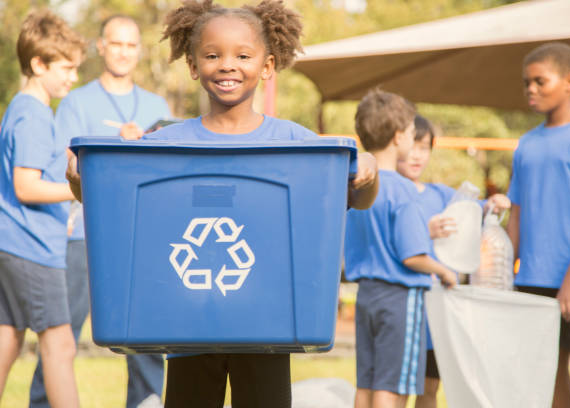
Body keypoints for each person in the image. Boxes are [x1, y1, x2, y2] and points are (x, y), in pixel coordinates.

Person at [66, 1, 378, 407]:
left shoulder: (294, 145)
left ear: (267, 66)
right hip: (185, 327)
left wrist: (368, 171)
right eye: (212, 55)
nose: (227, 65)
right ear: (194, 66)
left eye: (243, 56)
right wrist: (80, 179)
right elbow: (112, 200)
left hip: (269, 327)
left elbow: (356, 197)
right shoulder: (164, 144)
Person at [29, 14, 172, 408]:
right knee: (62, 335)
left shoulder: (157, 105)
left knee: (145, 338)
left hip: (143, 238)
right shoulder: (76, 102)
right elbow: (64, 164)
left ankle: (146, 402)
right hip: (83, 237)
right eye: (117, 43)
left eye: (131, 45)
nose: (124, 52)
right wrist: (115, 142)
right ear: (101, 46)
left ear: (139, 52)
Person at [507, 42, 570, 408]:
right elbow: (516, 215)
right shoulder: (526, 144)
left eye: (540, 81)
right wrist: (505, 273)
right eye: (526, 83)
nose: (531, 90)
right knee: (547, 370)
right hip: (533, 277)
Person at [343, 89, 457, 408]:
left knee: (366, 382)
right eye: (410, 132)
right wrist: (444, 271)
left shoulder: (354, 186)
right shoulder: (404, 190)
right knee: (392, 386)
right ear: (398, 137)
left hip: (366, 295)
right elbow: (413, 256)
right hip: (400, 299)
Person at [0, 10, 85, 407]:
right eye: (66, 68)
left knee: (7, 338)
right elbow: (26, 186)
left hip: (17, 244)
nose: (73, 77)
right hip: (32, 250)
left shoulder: (24, 108)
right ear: (38, 63)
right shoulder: (33, 115)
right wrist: (79, 192)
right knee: (60, 345)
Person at [397, 114, 510, 408]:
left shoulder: (440, 194)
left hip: (438, 314)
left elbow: (475, 210)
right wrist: (425, 232)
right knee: (395, 390)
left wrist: (493, 205)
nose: (417, 156)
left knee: (429, 389)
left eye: (425, 148)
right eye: (412, 147)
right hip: (401, 309)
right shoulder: (388, 193)